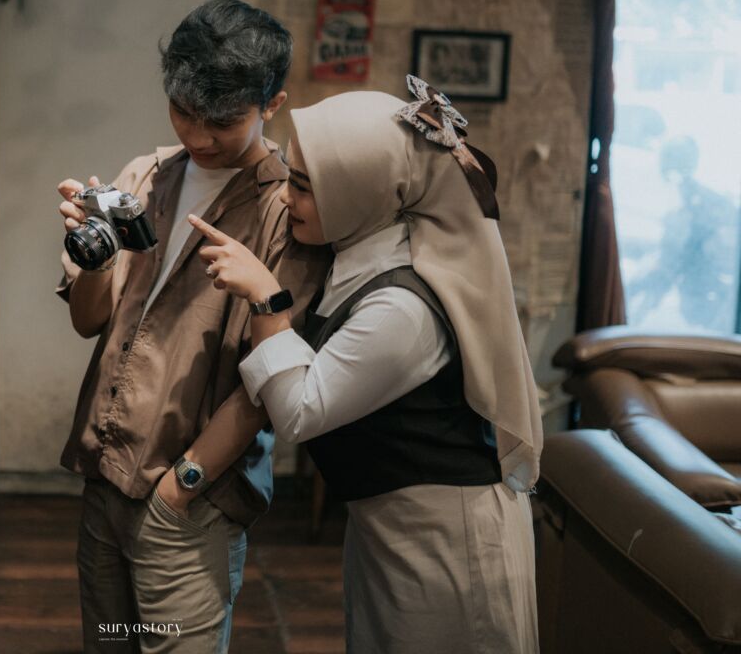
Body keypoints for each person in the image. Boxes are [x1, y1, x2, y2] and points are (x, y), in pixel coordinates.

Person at [187, 79, 543, 653]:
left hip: (447, 539)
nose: (286, 199)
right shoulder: (358, 251)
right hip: (389, 526)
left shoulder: (402, 308)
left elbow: (300, 412)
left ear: (360, 191)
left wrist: (266, 298)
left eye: (304, 187)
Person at [54, 0, 324, 653]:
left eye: (223, 121)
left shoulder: (287, 210)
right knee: (109, 644)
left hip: (190, 503)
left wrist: (180, 490)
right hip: (104, 477)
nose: (198, 136)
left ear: (273, 103)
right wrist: (95, 256)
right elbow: (90, 323)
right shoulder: (145, 177)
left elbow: (272, 379)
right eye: (183, 111)